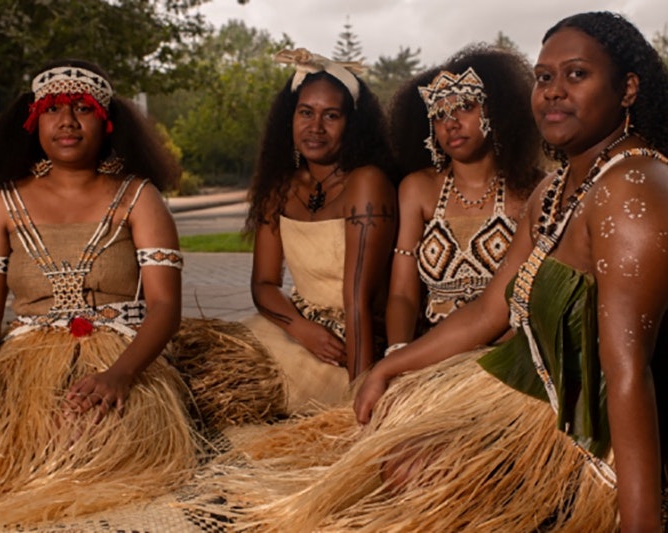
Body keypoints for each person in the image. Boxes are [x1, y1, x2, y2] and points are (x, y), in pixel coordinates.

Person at [181, 12, 668, 532]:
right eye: (544, 77)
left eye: (576, 74)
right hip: (526, 386)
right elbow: (489, 309)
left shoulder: (634, 186)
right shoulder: (555, 192)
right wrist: (391, 367)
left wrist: (637, 520)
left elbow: (627, 373)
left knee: (416, 476)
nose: (552, 92)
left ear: (628, 88)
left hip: (585, 424)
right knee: (392, 460)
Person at [0, 59, 203, 529]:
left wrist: (121, 375)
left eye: (82, 109)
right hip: (26, 356)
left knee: (92, 438)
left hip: (122, 354)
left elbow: (165, 307)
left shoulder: (138, 196)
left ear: (107, 122)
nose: (67, 121)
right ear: (33, 121)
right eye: (53, 109)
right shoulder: (1, 202)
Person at [172, 48, 398, 430]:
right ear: (289, 118)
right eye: (305, 112)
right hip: (299, 328)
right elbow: (263, 285)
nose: (315, 127)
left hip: (352, 342)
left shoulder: (367, 182)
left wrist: (359, 395)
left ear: (352, 124)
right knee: (186, 370)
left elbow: (357, 299)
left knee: (229, 397)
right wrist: (302, 329)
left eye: (332, 115)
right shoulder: (279, 188)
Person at [384, 44, 542, 354]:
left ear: (496, 112)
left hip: (506, 358)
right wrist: (398, 354)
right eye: (439, 113)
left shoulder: (531, 191)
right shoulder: (417, 189)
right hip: (431, 353)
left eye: (465, 107)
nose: (451, 123)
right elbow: (402, 294)